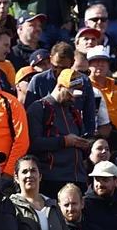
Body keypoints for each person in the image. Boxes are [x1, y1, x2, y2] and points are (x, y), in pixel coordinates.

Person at [26, 68, 90, 196]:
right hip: (52, 180)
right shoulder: (39, 108)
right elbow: (33, 143)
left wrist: (85, 146)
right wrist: (65, 141)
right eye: (70, 93)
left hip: (78, 179)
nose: (73, 99)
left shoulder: (73, 112)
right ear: (60, 86)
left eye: (76, 95)